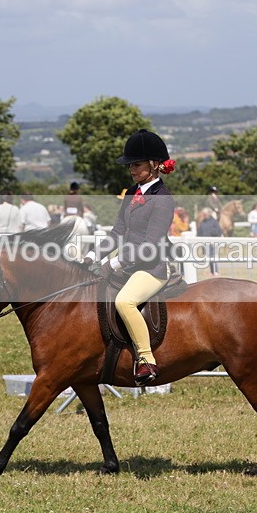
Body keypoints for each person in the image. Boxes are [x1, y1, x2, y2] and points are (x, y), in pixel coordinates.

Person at [82, 129, 176, 386]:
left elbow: (149, 245)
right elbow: (117, 232)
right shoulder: (133, 192)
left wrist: (114, 263)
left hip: (152, 268)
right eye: (130, 165)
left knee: (124, 301)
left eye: (137, 164)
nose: (131, 169)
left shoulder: (163, 200)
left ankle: (146, 360)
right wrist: (92, 255)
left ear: (155, 165)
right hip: (128, 266)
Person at [197, 207, 222, 276]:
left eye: (205, 214)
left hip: (212, 243)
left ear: (209, 214)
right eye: (203, 214)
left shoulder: (214, 222)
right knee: (207, 257)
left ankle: (215, 271)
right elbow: (199, 232)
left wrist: (214, 236)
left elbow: (219, 231)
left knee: (212, 257)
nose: (203, 215)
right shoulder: (202, 222)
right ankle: (212, 271)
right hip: (204, 243)